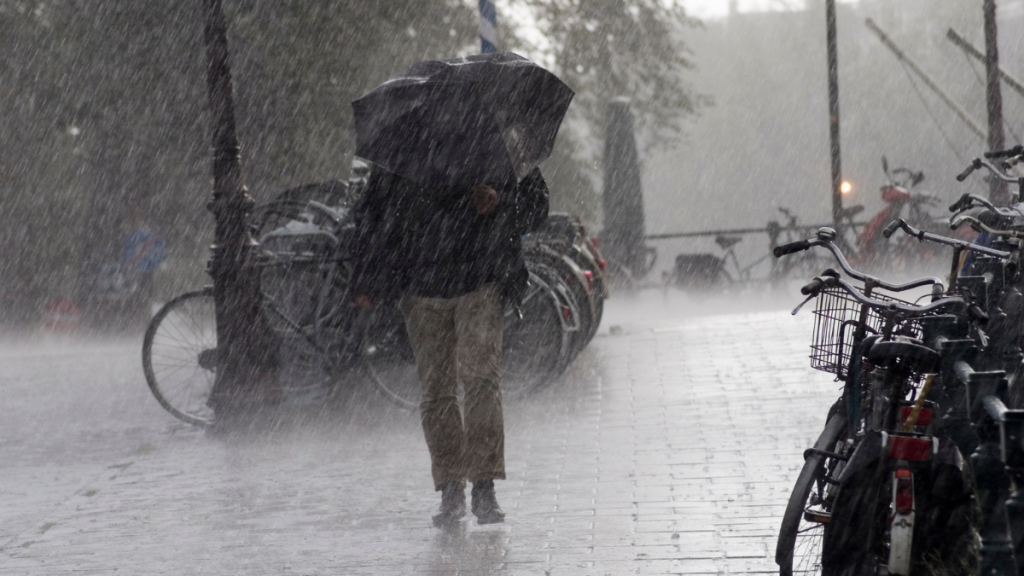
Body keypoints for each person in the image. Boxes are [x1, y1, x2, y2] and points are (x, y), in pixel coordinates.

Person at [350, 164, 549, 527]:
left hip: (481, 280)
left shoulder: (497, 140)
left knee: (481, 382)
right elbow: (373, 213)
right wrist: (367, 278)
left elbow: (536, 208)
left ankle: (484, 487)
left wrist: (500, 202)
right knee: (437, 391)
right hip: (421, 286)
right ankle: (451, 488)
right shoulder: (404, 144)